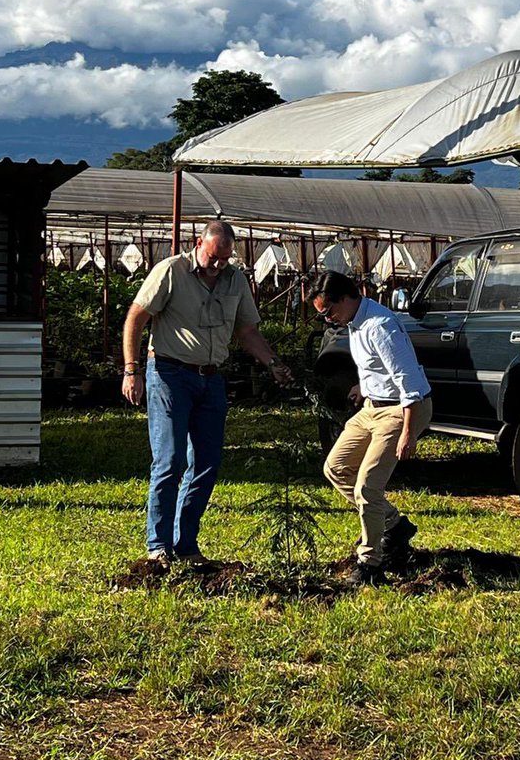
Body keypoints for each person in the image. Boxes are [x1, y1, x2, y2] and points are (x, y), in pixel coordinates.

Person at [122, 220, 292, 567]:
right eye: (214, 257)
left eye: (225, 259)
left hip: (211, 378)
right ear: (199, 243)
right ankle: (158, 547)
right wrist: (131, 369)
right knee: (170, 461)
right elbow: (136, 317)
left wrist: (273, 362)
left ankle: (185, 545)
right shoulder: (171, 271)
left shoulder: (235, 279)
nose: (218, 265)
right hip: (170, 374)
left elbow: (247, 330)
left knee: (207, 464)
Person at [309, 270, 432, 586]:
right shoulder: (353, 323)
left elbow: (409, 382)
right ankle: (394, 525)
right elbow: (374, 366)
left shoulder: (381, 327)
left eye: (329, 312)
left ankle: (370, 564)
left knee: (367, 487)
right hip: (372, 407)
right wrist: (362, 387)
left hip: (402, 411)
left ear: (346, 298)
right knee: (336, 468)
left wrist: (407, 433)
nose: (328, 320)